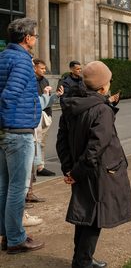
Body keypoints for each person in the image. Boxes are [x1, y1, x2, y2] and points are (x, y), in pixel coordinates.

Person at [56, 61, 131, 268]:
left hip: (80, 170)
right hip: (97, 172)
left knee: (84, 214)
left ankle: (81, 259)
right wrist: (75, 172)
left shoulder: (74, 105)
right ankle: (82, 262)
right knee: (94, 218)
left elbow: (62, 140)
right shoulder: (101, 111)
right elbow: (96, 148)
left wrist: (69, 169)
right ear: (101, 87)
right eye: (108, 81)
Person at [0, 17, 44, 254]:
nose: (36, 39)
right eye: (35, 36)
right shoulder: (21, 60)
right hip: (18, 132)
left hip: (6, 132)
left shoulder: (4, 56)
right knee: (17, 189)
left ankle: (7, 236)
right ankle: (16, 239)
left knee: (4, 188)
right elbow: (10, 94)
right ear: (27, 38)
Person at [33, 58, 56, 177]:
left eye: (44, 68)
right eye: (42, 68)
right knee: (33, 142)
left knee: (41, 143)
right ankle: (32, 170)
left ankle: (40, 168)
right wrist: (45, 95)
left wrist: (56, 96)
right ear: (34, 68)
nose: (44, 70)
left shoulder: (45, 80)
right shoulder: (30, 81)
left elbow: (48, 101)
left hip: (46, 116)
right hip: (34, 116)